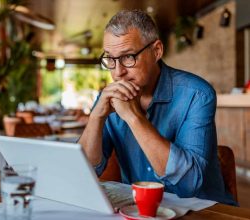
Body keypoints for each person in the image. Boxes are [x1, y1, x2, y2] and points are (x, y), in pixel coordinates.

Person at [78, 9, 237, 205]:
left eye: (128, 57)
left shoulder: (197, 94)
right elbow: (84, 173)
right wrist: (96, 117)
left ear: (157, 51)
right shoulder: (108, 99)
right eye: (110, 58)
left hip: (202, 211)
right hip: (140, 210)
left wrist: (134, 118)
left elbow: (189, 185)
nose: (118, 72)